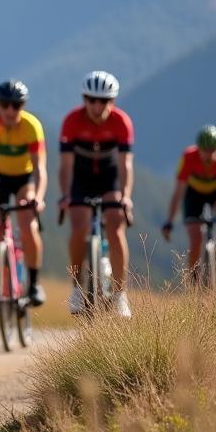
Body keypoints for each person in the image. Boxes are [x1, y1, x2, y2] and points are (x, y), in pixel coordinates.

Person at [59, 70, 134, 318]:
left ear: (112, 101)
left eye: (104, 100)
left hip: (108, 178)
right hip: (81, 179)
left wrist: (125, 196)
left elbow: (125, 165)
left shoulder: (121, 122)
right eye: (92, 99)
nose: (97, 105)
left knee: (115, 225)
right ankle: (77, 289)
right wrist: (66, 195)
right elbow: (66, 166)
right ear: (84, 99)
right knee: (79, 227)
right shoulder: (72, 121)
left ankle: (120, 294)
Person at [162, 125, 216, 287]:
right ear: (199, 148)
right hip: (193, 194)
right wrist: (169, 221)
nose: (208, 155)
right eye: (205, 150)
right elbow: (178, 193)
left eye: (213, 150)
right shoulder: (188, 157)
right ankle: (194, 283)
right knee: (196, 238)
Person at [0, 79, 47, 306]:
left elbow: (40, 169)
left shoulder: (31, 126)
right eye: (5, 105)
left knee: (28, 225)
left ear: (22, 106)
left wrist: (39, 197)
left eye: (16, 105)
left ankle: (33, 284)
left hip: (24, 179)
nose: (10, 110)